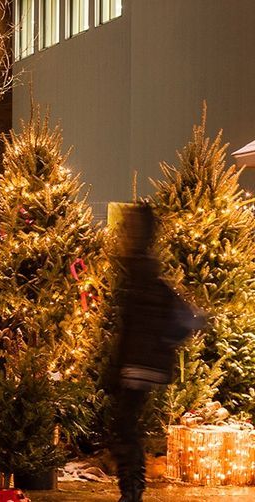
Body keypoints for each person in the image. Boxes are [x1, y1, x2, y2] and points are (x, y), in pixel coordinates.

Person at [109, 203, 203, 502]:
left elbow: (130, 327)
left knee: (123, 427)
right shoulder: (150, 276)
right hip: (145, 364)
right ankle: (132, 488)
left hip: (137, 364)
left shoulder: (138, 275)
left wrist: (118, 364)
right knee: (126, 425)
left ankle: (132, 490)